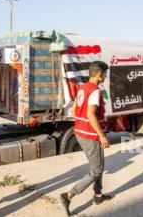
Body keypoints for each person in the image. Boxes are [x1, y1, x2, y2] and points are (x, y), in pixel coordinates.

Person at [60, 61, 112, 216]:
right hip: (91, 134)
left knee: (98, 165)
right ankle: (68, 195)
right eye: (105, 74)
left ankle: (98, 195)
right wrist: (102, 136)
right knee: (96, 170)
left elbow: (77, 108)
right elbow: (90, 115)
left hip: (81, 132)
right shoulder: (95, 91)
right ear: (99, 74)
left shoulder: (83, 88)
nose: (106, 77)